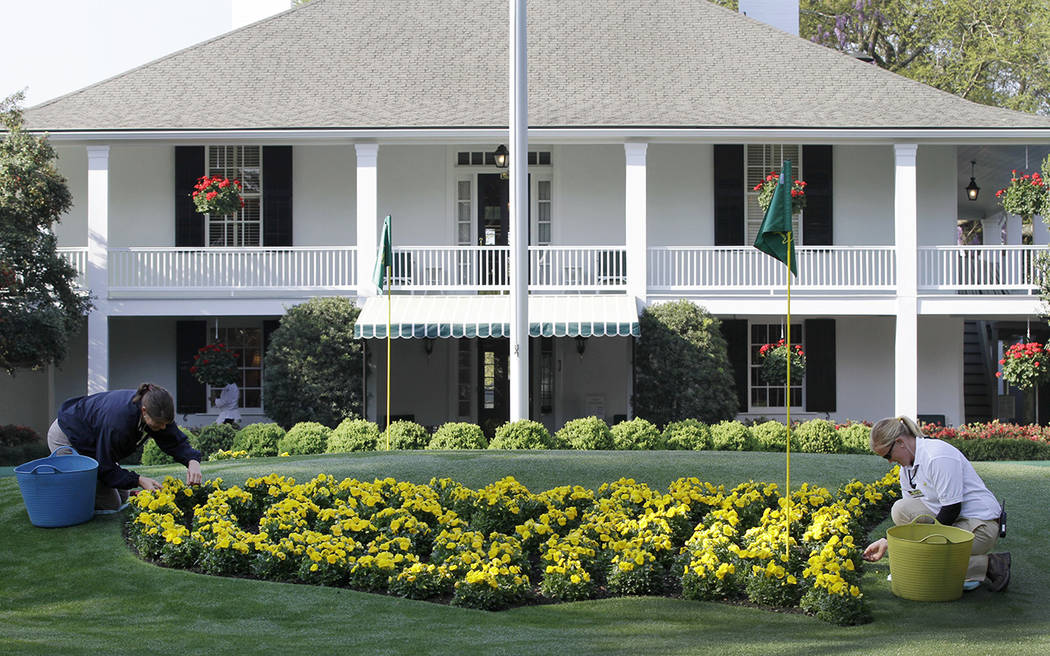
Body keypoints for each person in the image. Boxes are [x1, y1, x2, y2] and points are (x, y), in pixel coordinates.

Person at [862, 416, 1010, 592]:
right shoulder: (906, 470)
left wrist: (919, 546)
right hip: (953, 521)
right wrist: (887, 542)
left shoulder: (937, 456)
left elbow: (952, 509)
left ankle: (991, 564)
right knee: (900, 509)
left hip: (981, 525)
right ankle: (951, 561)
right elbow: (912, 518)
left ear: (900, 442)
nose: (889, 461)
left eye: (888, 455)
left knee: (923, 559)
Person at [47, 383, 203, 512]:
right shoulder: (119, 423)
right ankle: (62, 497)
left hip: (95, 443)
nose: (163, 428)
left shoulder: (155, 409)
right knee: (110, 504)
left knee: (123, 497)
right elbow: (105, 467)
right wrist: (139, 480)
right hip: (68, 436)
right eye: (159, 424)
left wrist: (192, 460)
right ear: (144, 411)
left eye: (166, 424)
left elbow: (173, 440)